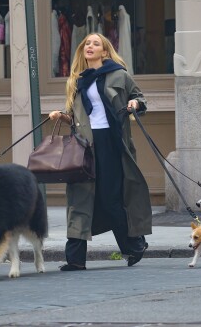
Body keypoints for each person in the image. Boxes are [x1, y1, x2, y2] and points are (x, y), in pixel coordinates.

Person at [49, 33, 152, 271]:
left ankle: (134, 245)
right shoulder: (77, 81)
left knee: (110, 198)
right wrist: (60, 116)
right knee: (79, 197)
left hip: (111, 142)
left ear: (105, 52)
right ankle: (75, 259)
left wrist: (134, 104)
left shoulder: (119, 74)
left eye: (96, 44)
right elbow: (74, 117)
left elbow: (139, 98)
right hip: (83, 145)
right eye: (87, 43)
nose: (90, 46)